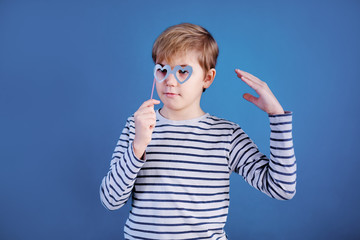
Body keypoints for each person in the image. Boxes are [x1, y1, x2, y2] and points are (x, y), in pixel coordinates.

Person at [100, 23, 296, 240]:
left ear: (207, 78)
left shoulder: (227, 136)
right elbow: (110, 200)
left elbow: (282, 188)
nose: (170, 81)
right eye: (162, 69)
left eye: (182, 71)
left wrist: (278, 118)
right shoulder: (136, 127)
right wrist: (137, 147)